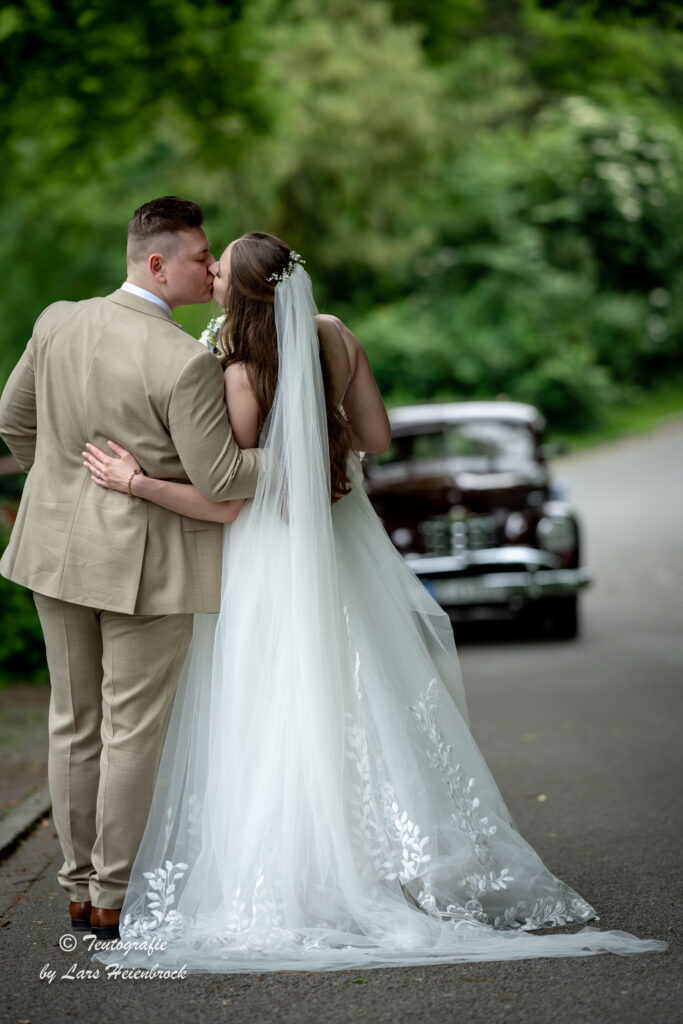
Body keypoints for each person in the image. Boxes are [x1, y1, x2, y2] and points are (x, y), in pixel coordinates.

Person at [85, 232, 666, 971]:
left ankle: (304, 868)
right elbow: (378, 437)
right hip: (343, 535)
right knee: (362, 693)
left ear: (243, 293)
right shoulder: (336, 337)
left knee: (273, 702)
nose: (212, 278)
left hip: (271, 553)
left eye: (220, 271)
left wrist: (135, 482)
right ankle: (390, 856)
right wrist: (324, 444)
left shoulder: (236, 370)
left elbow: (233, 490)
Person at [0, 197, 260, 941]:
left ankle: (77, 890)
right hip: (147, 565)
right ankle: (111, 897)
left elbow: (13, 420)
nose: (210, 267)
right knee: (130, 732)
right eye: (199, 255)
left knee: (72, 725)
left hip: (54, 551)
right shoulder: (184, 361)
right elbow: (222, 480)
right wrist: (297, 450)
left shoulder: (56, 320)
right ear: (156, 262)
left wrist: (59, 484)